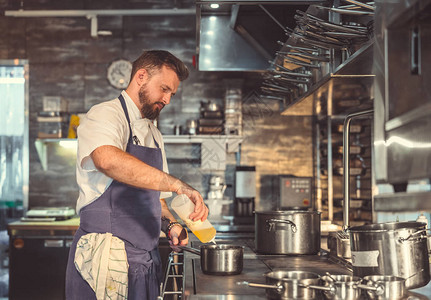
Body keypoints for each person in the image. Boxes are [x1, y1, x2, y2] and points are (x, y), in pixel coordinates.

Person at [65, 50, 209, 300]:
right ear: (141, 76)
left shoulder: (154, 133)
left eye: (171, 94)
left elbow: (157, 198)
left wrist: (171, 225)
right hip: (105, 261)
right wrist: (179, 185)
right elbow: (107, 160)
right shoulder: (105, 114)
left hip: (144, 261)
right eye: (164, 89)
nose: (167, 99)